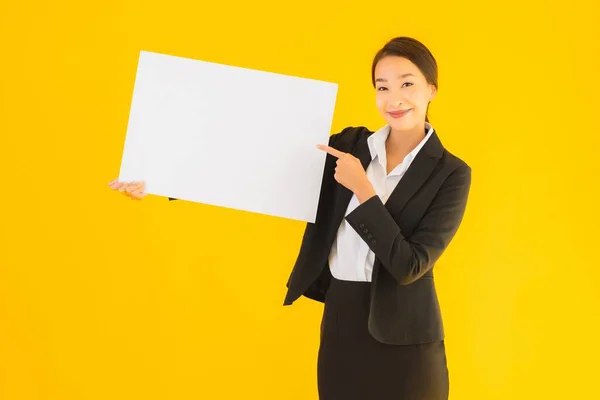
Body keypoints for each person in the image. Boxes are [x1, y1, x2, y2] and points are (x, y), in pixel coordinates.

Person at [109, 36, 471, 400]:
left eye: (407, 83)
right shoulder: (347, 147)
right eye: (383, 86)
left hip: (408, 340)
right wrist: (158, 181)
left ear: (431, 89)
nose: (394, 98)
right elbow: (262, 167)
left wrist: (363, 189)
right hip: (342, 322)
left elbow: (410, 265)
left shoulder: (452, 173)